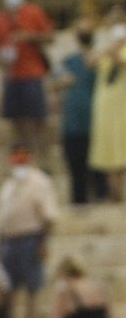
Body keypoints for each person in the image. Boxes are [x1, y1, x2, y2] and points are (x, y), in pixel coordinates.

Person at [0, 148, 59, 318]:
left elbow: (48, 216)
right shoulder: (8, 184)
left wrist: (42, 242)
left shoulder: (39, 182)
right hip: (8, 240)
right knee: (9, 288)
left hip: (30, 239)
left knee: (32, 287)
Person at [0, 0, 55, 154]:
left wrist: (30, 36)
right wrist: (1, 60)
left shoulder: (33, 12)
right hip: (11, 75)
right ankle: (22, 156)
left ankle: (41, 157)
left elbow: (49, 37)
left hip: (32, 73)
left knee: (37, 119)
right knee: (15, 120)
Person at [56, 20, 104, 205]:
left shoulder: (101, 60)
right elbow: (54, 82)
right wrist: (62, 81)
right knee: (76, 170)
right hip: (73, 124)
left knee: (98, 170)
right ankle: (79, 203)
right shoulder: (69, 61)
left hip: (96, 123)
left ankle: (100, 201)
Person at [90, 14, 126, 202]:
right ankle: (111, 193)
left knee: (121, 146)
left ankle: (118, 192)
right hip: (105, 106)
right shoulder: (104, 47)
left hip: (122, 107)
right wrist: (105, 48)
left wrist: (117, 51)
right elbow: (91, 62)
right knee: (107, 148)